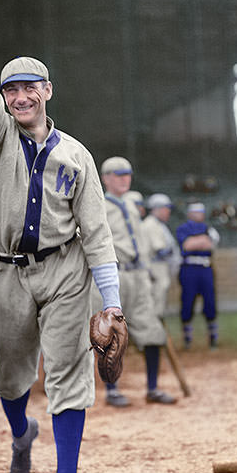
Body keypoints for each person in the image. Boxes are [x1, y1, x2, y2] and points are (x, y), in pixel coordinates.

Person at [0, 3, 123, 473]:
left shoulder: (75, 154)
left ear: (48, 91)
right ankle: (21, 433)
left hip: (64, 270)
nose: (20, 96)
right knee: (11, 379)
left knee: (69, 373)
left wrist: (113, 304)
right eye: (12, 89)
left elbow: (96, 232)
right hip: (3, 271)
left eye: (30, 87)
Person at [97, 157, 177, 407]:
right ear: (105, 178)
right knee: (111, 335)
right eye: (117, 174)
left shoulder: (133, 204)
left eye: (127, 174)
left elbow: (140, 241)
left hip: (139, 275)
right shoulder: (98, 205)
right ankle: (112, 391)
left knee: (152, 331)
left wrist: (148, 271)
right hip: (115, 275)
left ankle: (152, 388)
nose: (123, 178)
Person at [176, 202, 220, 349]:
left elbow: (210, 245)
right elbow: (186, 245)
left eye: (200, 212)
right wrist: (202, 240)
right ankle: (187, 337)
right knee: (188, 300)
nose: (198, 215)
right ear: (189, 214)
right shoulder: (183, 228)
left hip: (205, 267)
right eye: (195, 212)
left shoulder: (209, 228)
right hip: (189, 267)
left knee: (210, 301)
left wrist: (195, 241)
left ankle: (213, 337)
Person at [143, 193, 180, 319]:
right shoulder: (151, 224)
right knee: (156, 304)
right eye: (166, 208)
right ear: (157, 208)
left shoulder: (159, 225)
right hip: (155, 268)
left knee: (160, 302)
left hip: (160, 268)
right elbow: (161, 251)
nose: (168, 211)